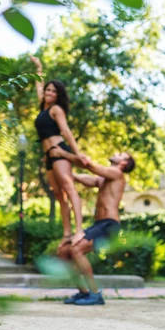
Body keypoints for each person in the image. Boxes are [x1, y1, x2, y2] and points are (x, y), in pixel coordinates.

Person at [49, 146, 136, 306]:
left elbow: (89, 166)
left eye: (120, 154)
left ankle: (95, 294)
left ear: (123, 162)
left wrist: (63, 154)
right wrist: (65, 172)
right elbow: (87, 179)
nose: (115, 153)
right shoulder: (104, 179)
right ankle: (83, 292)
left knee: (76, 249)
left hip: (109, 225)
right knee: (64, 251)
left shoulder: (117, 174)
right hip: (99, 225)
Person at [31, 56, 87, 246]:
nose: (49, 92)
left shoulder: (56, 110)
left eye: (53, 91)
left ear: (58, 95)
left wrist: (77, 153)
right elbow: (38, 87)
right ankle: (66, 234)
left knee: (69, 189)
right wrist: (39, 68)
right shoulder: (42, 108)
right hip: (48, 156)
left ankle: (79, 229)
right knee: (58, 196)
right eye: (48, 89)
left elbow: (66, 131)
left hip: (59, 150)